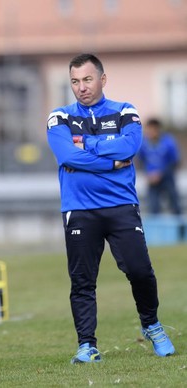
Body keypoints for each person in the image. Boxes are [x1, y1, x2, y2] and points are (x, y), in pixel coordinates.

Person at [46, 53, 175, 364]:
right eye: (75, 81)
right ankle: (87, 345)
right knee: (82, 281)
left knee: (140, 271)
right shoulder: (59, 117)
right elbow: (67, 156)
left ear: (102, 80)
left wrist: (87, 147)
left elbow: (130, 147)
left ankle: (152, 325)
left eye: (87, 79)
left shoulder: (124, 111)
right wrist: (111, 159)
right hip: (79, 209)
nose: (81, 87)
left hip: (121, 206)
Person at [137, 118, 182, 215]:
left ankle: (180, 229)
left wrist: (161, 174)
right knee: (153, 207)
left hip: (167, 179)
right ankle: (154, 230)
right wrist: (148, 174)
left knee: (175, 205)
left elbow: (175, 161)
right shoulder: (143, 143)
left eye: (152, 130)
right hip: (152, 180)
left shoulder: (169, 142)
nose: (149, 132)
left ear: (158, 129)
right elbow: (141, 160)